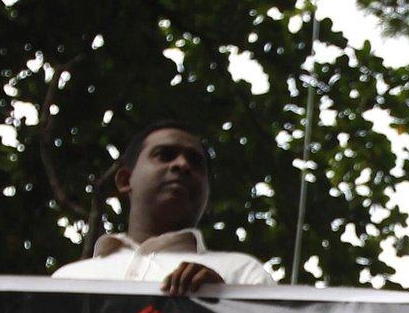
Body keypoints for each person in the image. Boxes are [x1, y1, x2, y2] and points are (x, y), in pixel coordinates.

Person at [55, 121, 277, 291]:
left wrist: (227, 304)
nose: (182, 165)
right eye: (164, 155)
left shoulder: (243, 274)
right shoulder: (69, 280)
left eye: (196, 163)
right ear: (125, 180)